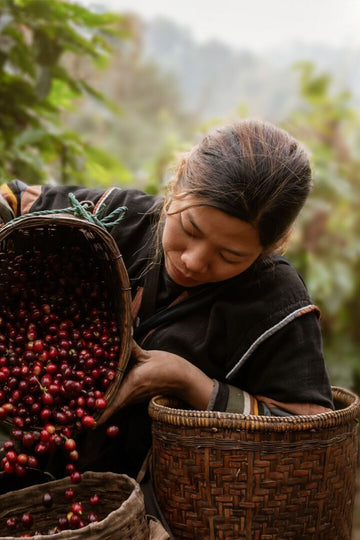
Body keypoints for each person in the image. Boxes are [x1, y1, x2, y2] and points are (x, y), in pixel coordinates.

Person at [0, 119, 333, 479]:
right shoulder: (123, 217)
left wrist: (187, 381)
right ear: (176, 185)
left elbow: (312, 432)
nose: (193, 261)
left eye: (230, 256)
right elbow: (16, 201)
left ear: (270, 247)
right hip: (33, 468)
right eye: (189, 229)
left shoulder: (274, 300)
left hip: (167, 501)